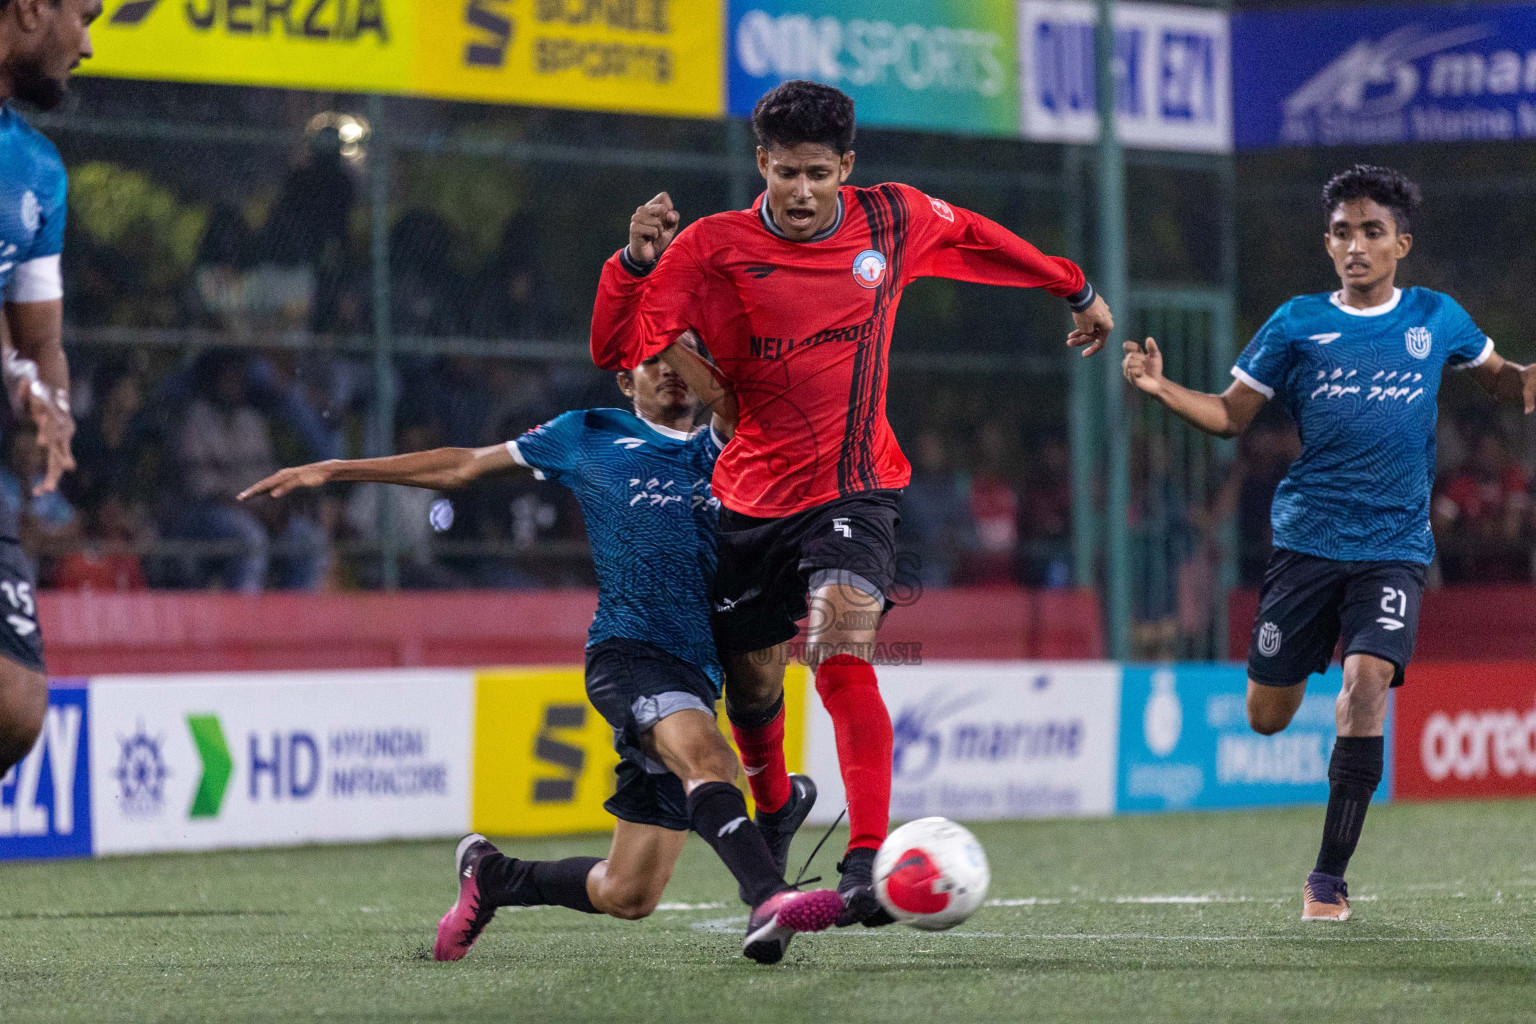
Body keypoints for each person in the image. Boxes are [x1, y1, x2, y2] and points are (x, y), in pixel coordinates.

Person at [590, 79, 1113, 925]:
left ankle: (865, 862)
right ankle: (774, 808)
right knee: (755, 687)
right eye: (787, 172)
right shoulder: (712, 248)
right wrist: (634, 266)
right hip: (751, 499)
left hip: (855, 487)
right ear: (762, 163)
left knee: (838, 655)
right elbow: (615, 345)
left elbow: (977, 237)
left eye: (819, 174)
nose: (802, 192)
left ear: (847, 168)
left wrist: (1074, 286)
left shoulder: (891, 219)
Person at [239, 336, 840, 966]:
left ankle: (493, 876)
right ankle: (768, 894)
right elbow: (462, 466)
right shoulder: (588, 433)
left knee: (628, 893)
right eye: (654, 359)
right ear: (623, 382)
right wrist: (336, 470)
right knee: (711, 760)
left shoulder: (725, 445)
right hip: (627, 652)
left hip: (697, 671)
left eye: (685, 357)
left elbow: (741, 400)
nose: (671, 371)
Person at [1122, 165, 1536, 922]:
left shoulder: (1436, 316)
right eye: (1343, 232)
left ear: (1400, 243)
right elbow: (1228, 416)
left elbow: (1504, 380)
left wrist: (1527, 379)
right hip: (1307, 543)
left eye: (1372, 231)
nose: (1356, 245)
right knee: (1267, 716)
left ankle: (1327, 881)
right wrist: (1162, 388)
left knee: (1366, 683)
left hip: (1393, 547)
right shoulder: (1296, 322)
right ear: (1328, 242)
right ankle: (1318, 713)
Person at [0, 0, 101, 778]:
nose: (88, 44)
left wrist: (51, 409)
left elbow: (41, 339)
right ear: (32, 7)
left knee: (16, 705)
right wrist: (19, 374)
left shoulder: (35, 168)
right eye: (85, 15)